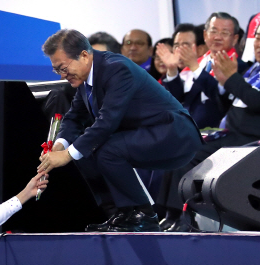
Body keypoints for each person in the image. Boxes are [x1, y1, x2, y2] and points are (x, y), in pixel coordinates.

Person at [38, 29, 203, 232]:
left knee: (105, 149)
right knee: (88, 152)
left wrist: (66, 155)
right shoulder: (86, 76)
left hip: (173, 135)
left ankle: (145, 214)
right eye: (57, 71)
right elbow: (74, 117)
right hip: (146, 134)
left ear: (83, 55)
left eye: (63, 68)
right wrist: (59, 144)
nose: (63, 76)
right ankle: (123, 213)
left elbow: (107, 122)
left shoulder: (116, 69)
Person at [157, 24, 260, 232]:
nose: (259, 43)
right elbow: (225, 106)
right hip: (229, 133)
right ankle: (171, 214)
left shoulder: (239, 67)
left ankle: (185, 219)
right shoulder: (253, 70)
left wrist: (231, 79)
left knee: (189, 153)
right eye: (257, 37)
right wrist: (225, 83)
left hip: (248, 138)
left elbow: (256, 101)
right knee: (179, 149)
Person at [157, 21, 233, 129]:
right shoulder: (183, 73)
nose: (179, 51)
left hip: (213, 133)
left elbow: (219, 97)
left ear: (200, 48)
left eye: (185, 46)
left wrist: (194, 66)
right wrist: (172, 69)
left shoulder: (221, 65)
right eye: (176, 46)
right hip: (185, 132)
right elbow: (176, 101)